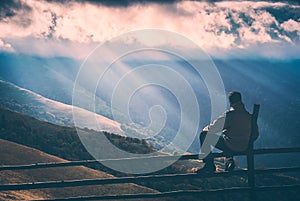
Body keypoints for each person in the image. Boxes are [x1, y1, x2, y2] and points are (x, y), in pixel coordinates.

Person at [197, 91, 258, 173]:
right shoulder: (249, 116)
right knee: (229, 139)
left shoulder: (230, 115)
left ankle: (209, 165)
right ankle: (229, 160)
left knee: (204, 135)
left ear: (230, 102)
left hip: (230, 146)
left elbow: (214, 128)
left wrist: (205, 129)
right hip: (245, 146)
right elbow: (255, 134)